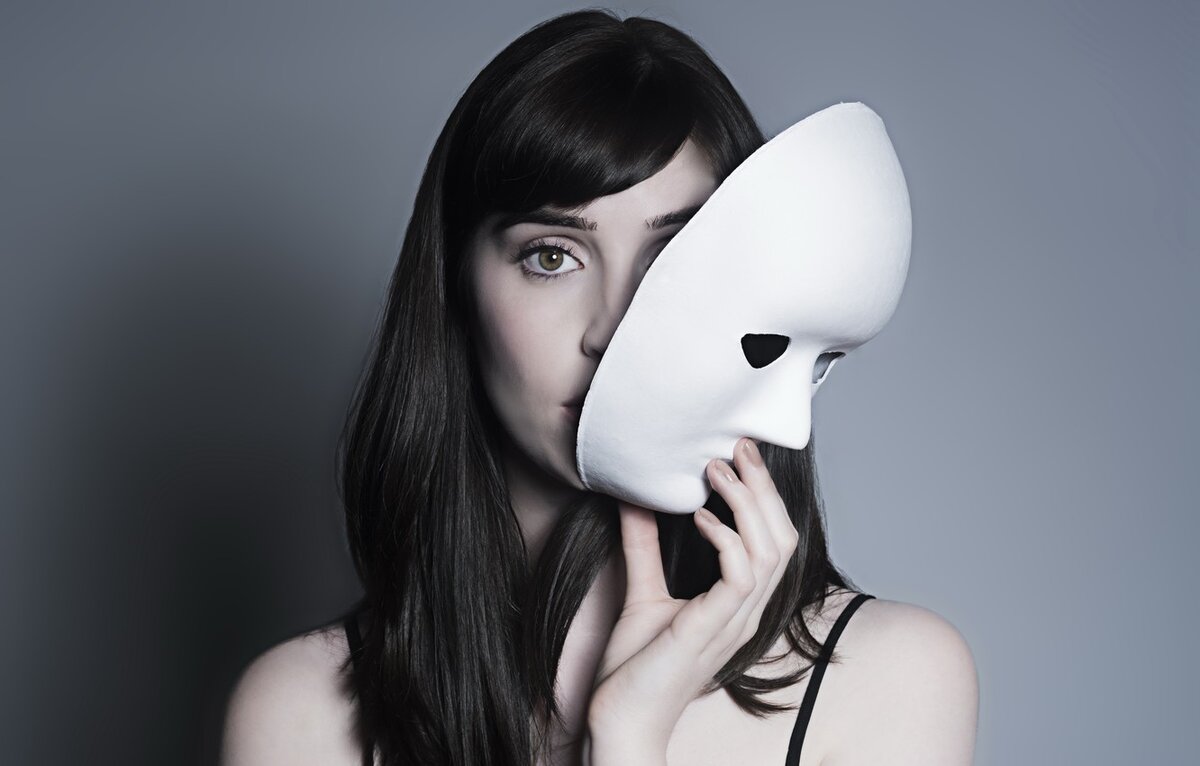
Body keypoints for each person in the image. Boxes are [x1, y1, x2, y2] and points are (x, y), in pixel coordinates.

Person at [220, 9, 978, 766]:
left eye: (673, 260)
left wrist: (628, 739)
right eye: (551, 256)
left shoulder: (888, 682)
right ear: (457, 291)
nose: (613, 328)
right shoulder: (301, 715)